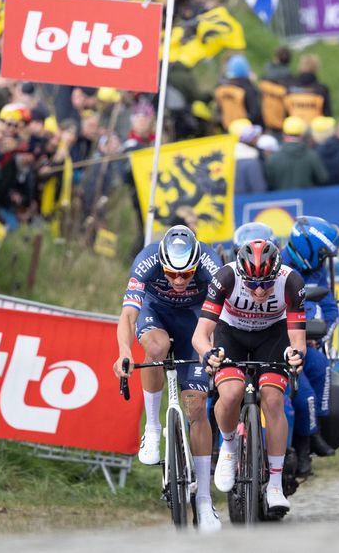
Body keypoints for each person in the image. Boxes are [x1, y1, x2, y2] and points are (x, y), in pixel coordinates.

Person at [112, 225, 223, 532]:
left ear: (196, 264)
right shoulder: (146, 261)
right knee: (156, 348)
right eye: (171, 274)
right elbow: (128, 316)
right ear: (161, 262)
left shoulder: (212, 265)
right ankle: (152, 426)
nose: (177, 280)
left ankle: (203, 499)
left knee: (197, 408)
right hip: (155, 314)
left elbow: (224, 317)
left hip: (195, 324)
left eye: (186, 275)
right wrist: (123, 351)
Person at [192, 239, 307, 513]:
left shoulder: (291, 282)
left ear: (276, 275)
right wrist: (208, 353)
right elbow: (200, 334)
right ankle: (229, 447)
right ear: (241, 275)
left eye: (266, 284)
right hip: (231, 334)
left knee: (273, 399)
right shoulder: (226, 277)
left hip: (272, 336)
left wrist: (296, 355)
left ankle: (276, 485)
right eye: (252, 284)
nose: (258, 290)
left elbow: (297, 339)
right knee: (230, 393)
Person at [280, 216, 339, 476]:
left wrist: (323, 329)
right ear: (309, 250)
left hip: (307, 344)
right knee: (303, 395)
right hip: (279, 346)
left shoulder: (316, 273)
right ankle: (303, 448)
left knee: (321, 366)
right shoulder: (278, 267)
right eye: (323, 254)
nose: (326, 260)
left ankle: (317, 431)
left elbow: (328, 307)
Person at [265, 116, 329, 190]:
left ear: (284, 133)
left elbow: (269, 183)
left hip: (283, 200)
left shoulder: (272, 159)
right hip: (307, 199)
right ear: (302, 134)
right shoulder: (312, 156)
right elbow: (323, 179)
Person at [215, 55, 262, 130]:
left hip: (228, 129)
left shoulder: (221, 89)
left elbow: (218, 111)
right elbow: (255, 113)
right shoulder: (247, 87)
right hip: (246, 131)